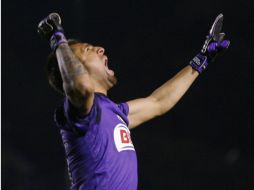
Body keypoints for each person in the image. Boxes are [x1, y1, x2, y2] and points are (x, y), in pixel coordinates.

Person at [37, 13, 230, 190]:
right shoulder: (80, 111)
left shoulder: (113, 112)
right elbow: (79, 87)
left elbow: (158, 102)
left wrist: (202, 58)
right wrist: (58, 41)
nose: (100, 49)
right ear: (74, 67)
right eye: (88, 49)